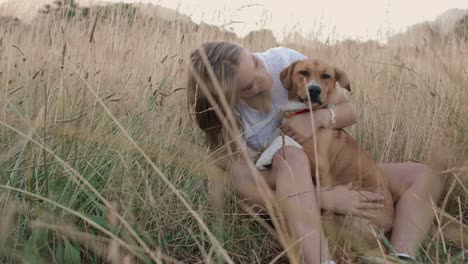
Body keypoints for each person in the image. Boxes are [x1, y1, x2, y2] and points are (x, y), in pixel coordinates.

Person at [186, 41, 442, 263]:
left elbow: (348, 111)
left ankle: (400, 256)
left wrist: (318, 119)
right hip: (288, 189)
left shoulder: (285, 61)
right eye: (249, 86)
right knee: (290, 156)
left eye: (255, 62)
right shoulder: (226, 116)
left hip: (329, 169)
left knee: (421, 175)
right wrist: (327, 199)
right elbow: (248, 192)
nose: (264, 77)